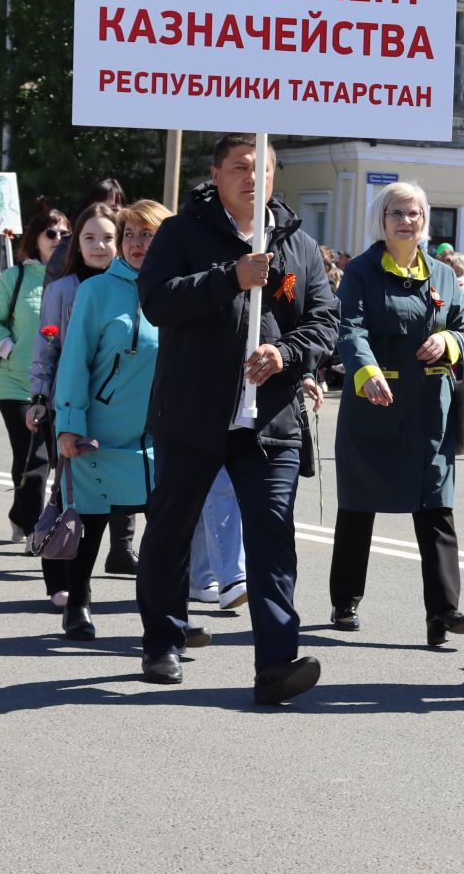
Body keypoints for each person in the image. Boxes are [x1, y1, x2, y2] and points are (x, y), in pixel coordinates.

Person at [134, 134, 340, 703]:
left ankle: (276, 664)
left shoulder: (299, 243)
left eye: (263, 168)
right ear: (217, 174)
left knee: (273, 538)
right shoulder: (181, 232)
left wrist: (286, 355)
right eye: (240, 168)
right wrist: (230, 277)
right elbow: (158, 300)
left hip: (270, 421)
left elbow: (324, 321)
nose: (253, 178)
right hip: (192, 412)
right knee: (172, 530)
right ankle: (162, 639)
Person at [328, 180, 464, 646]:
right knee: (358, 507)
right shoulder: (363, 271)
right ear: (381, 218)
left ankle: (444, 613)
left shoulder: (445, 274)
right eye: (397, 212)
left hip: (429, 412)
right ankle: (345, 599)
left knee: (436, 507)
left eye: (414, 213)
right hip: (374, 403)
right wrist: (366, 369)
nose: (406, 221)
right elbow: (348, 326)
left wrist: (449, 341)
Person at [49, 199, 170, 640]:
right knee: (92, 522)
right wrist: (69, 423)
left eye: (149, 235)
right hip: (100, 433)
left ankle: (165, 615)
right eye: (131, 234)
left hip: (160, 438)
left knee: (166, 533)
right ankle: (77, 603)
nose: (137, 244)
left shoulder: (178, 290)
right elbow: (74, 361)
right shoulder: (96, 291)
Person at [30, 203, 141, 577]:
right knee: (70, 492)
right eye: (89, 237)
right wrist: (40, 397)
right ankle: (58, 573)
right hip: (68, 403)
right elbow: (46, 348)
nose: (99, 246)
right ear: (76, 242)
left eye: (109, 237)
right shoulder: (63, 289)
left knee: (124, 486)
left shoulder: (138, 289)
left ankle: (122, 549)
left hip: (122, 409)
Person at [0, 206, 68, 543]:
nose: (59, 239)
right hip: (15, 383)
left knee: (43, 459)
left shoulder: (73, 279)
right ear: (36, 239)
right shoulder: (15, 277)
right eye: (51, 233)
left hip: (58, 384)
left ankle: (21, 515)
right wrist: (9, 348)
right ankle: (35, 529)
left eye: (65, 234)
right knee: (35, 457)